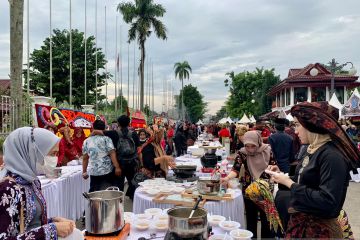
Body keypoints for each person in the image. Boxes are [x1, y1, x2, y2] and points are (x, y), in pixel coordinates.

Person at [268, 102, 360, 238]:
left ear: (313, 125)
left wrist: (290, 184)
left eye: (298, 125)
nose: (295, 131)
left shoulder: (332, 156)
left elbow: (327, 201)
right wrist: (281, 177)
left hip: (319, 231)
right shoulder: (314, 149)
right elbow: (306, 181)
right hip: (302, 225)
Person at [0, 127, 77, 239]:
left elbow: (30, 223)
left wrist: (53, 222)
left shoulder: (32, 181)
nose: (54, 159)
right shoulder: (7, 189)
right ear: (31, 152)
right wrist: (52, 230)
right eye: (51, 154)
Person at [221, 131, 276, 238]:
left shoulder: (268, 150)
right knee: (251, 219)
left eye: (253, 146)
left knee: (267, 221)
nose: (250, 149)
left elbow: (274, 166)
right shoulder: (242, 153)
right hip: (249, 190)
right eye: (247, 146)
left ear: (258, 142)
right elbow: (236, 169)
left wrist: (274, 173)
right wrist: (226, 178)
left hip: (265, 190)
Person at [82, 120, 122, 192]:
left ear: (93, 128)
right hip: (107, 170)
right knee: (107, 191)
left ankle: (95, 203)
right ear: (104, 129)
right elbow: (112, 153)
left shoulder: (86, 141)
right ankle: (104, 203)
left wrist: (84, 171)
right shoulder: (107, 139)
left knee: (94, 192)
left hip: (94, 171)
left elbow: (85, 158)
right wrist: (117, 167)